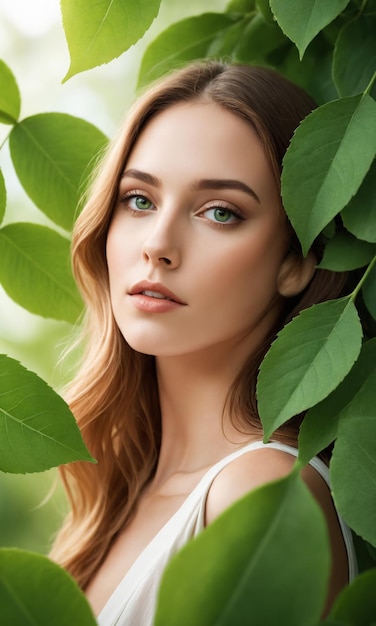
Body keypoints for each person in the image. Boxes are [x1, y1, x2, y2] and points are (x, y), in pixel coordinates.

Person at [50, 61, 357, 624]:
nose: (158, 246)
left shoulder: (261, 494)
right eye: (139, 200)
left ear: (296, 262)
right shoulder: (124, 494)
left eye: (220, 212)